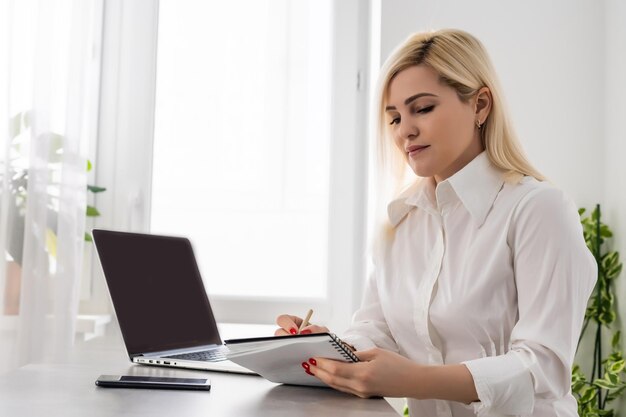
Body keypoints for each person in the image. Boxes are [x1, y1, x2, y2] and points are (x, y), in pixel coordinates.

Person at [275, 28, 596, 417]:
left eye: (422, 108)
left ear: (480, 105)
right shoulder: (401, 221)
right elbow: (378, 332)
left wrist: (412, 379)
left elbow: (542, 368)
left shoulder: (539, 210)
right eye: (393, 118)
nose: (404, 130)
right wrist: (328, 348)